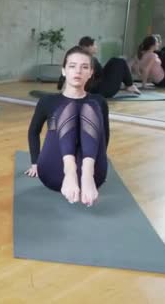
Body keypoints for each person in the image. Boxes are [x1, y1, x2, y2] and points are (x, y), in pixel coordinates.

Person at [26, 46, 110, 207]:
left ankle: (87, 173)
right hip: (54, 171)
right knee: (70, 107)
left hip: (92, 174)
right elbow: (33, 132)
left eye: (84, 67)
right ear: (64, 70)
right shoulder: (48, 101)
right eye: (72, 66)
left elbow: (104, 136)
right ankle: (70, 171)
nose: (78, 71)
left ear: (91, 72)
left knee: (90, 106)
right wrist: (34, 163)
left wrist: (101, 162)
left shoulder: (99, 102)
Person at [57, 36, 140, 97]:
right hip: (99, 90)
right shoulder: (89, 59)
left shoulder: (73, 54)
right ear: (88, 47)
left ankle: (129, 85)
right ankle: (129, 85)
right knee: (119, 62)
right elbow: (100, 74)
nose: (96, 47)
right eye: (94, 45)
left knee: (114, 60)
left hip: (92, 87)